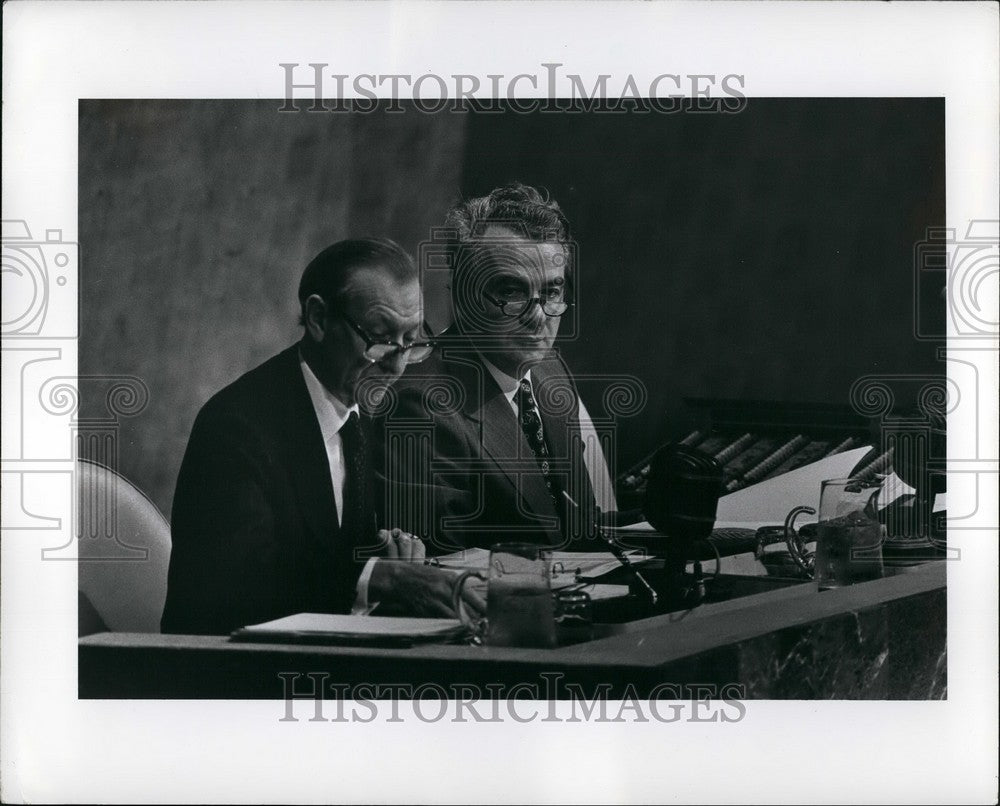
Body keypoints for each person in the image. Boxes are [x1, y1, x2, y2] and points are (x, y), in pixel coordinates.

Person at [161, 238, 482, 635]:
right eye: (381, 339)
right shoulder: (236, 426)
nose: (398, 366)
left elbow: (325, 560)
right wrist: (377, 577)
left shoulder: (360, 414)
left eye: (411, 341)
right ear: (318, 318)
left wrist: (389, 557)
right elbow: (239, 586)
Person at [373, 184, 621, 554]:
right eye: (512, 292)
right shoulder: (420, 405)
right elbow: (443, 565)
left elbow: (585, 526)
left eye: (552, 292)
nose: (538, 317)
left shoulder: (549, 369)